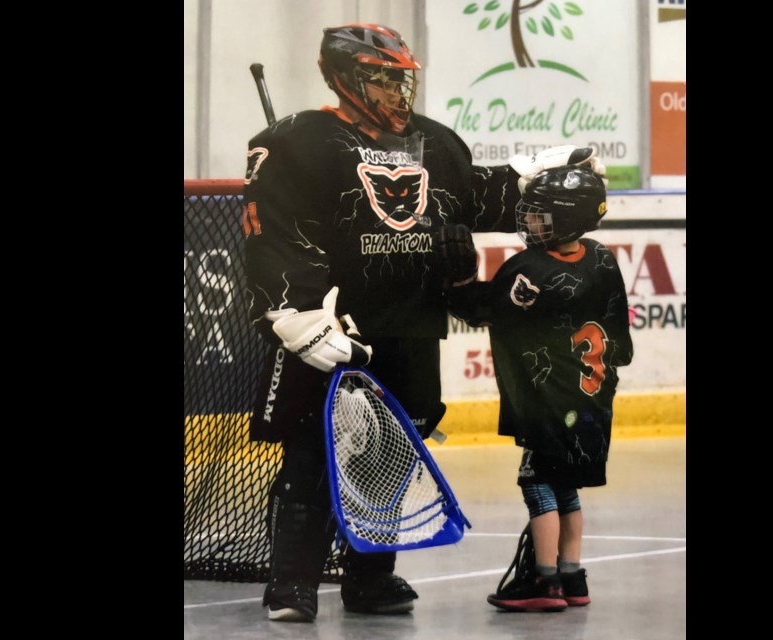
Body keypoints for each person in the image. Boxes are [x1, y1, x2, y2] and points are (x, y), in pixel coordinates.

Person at [242, 23, 606, 623]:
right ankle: (292, 585)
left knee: (389, 455)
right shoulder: (296, 141)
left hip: (412, 324)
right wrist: (295, 309)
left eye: (402, 78)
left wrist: (535, 177)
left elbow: (478, 197)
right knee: (310, 456)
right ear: (346, 77)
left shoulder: (435, 144)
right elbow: (273, 230)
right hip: (336, 328)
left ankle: (370, 580)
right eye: (382, 77)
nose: (396, 91)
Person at [436, 164, 634, 612]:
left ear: (567, 218)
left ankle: (543, 582)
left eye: (542, 215)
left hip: (550, 402)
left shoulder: (527, 269)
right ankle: (573, 575)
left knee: (537, 481)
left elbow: (480, 310)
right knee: (568, 487)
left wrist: (459, 279)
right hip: (594, 399)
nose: (530, 220)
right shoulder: (603, 259)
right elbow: (620, 342)